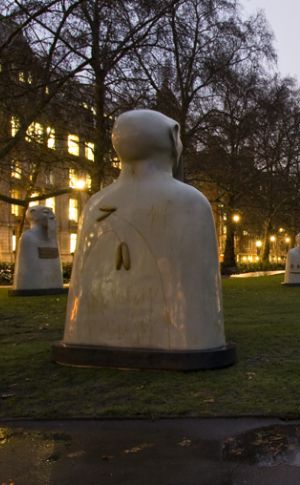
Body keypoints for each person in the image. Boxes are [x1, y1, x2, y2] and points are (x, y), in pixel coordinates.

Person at [56, 109, 234, 369]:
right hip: (182, 342)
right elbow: (200, 290)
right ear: (173, 137)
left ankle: (89, 333)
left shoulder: (94, 206)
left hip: (88, 342)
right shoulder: (190, 202)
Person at [11, 205, 65, 294]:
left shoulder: (53, 239)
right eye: (46, 212)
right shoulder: (27, 237)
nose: (52, 216)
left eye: (52, 213)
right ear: (33, 214)